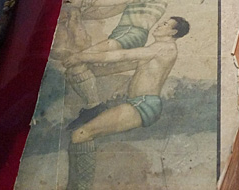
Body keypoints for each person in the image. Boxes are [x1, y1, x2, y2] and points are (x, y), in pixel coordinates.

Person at [63, 16, 190, 190]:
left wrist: (82, 57)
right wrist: (87, 71)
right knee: (80, 135)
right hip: (138, 104)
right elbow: (122, 66)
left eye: (165, 24)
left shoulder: (165, 48)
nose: (159, 25)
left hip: (143, 105)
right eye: (161, 22)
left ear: (173, 32)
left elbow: (123, 55)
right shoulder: (155, 49)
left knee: (81, 134)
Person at [65, 0, 179, 129]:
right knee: (81, 69)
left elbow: (119, 0)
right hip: (126, 34)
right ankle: (93, 107)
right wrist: (81, 14)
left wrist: (83, 1)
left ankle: (94, 107)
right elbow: (113, 10)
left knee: (79, 59)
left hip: (130, 33)